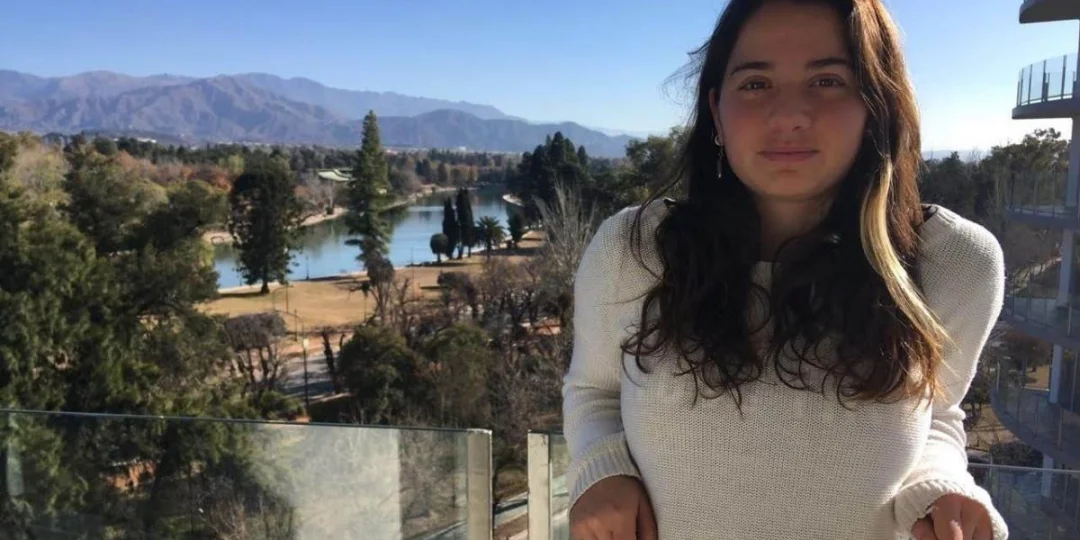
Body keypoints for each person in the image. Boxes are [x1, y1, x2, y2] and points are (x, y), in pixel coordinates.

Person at [563, 1, 1008, 539]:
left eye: (827, 80)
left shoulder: (952, 262)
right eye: (755, 84)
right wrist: (602, 472)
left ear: (877, 104)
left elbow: (938, 415)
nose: (790, 116)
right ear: (716, 112)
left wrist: (942, 489)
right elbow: (594, 391)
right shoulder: (633, 251)